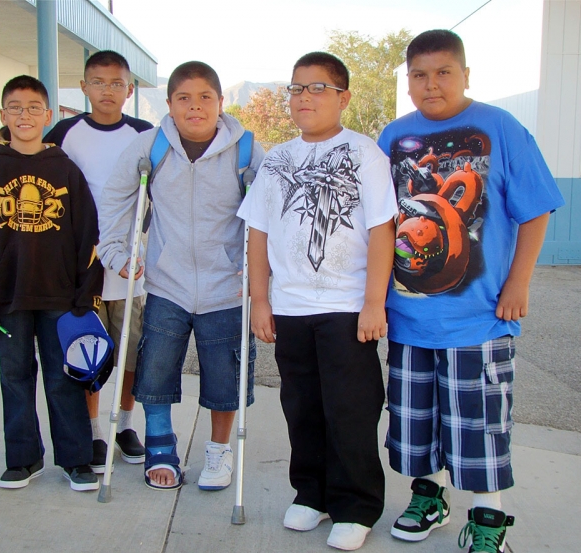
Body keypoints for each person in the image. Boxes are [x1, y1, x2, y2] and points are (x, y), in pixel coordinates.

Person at [377, 30, 565, 553]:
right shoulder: (391, 137)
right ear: (408, 81)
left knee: (478, 426)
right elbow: (376, 227)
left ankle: (489, 518)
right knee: (415, 421)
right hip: (409, 316)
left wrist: (518, 283)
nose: (431, 84)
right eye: (419, 75)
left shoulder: (501, 128)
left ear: (465, 75)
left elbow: (535, 210)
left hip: (479, 317)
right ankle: (429, 497)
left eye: (443, 73)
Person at [0, 50, 153, 474]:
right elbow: (18, 146)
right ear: (83, 86)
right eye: (98, 82)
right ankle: (92, 434)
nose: (107, 90)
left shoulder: (146, 133)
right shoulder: (64, 131)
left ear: (129, 88)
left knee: (129, 353)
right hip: (69, 268)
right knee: (79, 354)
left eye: (116, 82)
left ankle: (123, 424)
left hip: (125, 264)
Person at [238, 52, 397, 551]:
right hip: (289, 306)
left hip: (346, 306)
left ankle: (356, 505)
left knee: (350, 408)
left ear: (342, 97)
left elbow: (381, 229)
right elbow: (257, 234)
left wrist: (375, 302)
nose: (304, 97)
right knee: (301, 405)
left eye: (317, 88)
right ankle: (312, 493)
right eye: (297, 88)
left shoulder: (365, 152)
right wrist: (260, 301)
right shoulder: (278, 159)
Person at [97, 61, 265, 492]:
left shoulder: (246, 150)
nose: (195, 107)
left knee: (225, 378)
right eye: (184, 98)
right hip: (166, 283)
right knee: (155, 369)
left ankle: (218, 451)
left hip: (227, 287)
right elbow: (116, 200)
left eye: (205, 97)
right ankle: (160, 444)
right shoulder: (149, 146)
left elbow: (270, 218)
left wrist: (263, 280)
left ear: (220, 102)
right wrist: (116, 252)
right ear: (169, 105)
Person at [0, 75, 104, 492]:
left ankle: (76, 459)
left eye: (33, 107)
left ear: (48, 114)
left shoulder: (64, 169)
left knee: (64, 378)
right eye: (15, 107)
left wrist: (87, 295)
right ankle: (23, 459)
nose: (24, 115)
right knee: (15, 376)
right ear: (3, 115)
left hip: (60, 296)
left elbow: (87, 236)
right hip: (8, 297)